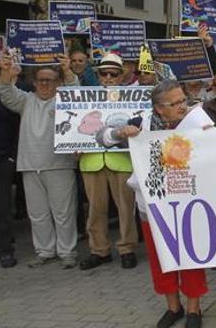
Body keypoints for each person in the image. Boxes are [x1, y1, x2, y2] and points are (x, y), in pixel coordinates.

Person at [99, 80, 207, 328]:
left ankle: (194, 309)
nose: (183, 106)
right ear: (159, 108)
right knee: (160, 259)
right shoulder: (141, 124)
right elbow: (102, 137)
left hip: (189, 204)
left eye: (183, 100)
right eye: (175, 103)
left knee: (191, 257)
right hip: (152, 208)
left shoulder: (199, 120)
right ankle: (173, 307)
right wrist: (119, 133)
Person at [0, 53, 79, 269]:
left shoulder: (65, 100)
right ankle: (45, 251)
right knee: (37, 214)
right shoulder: (26, 100)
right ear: (34, 82)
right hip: (30, 165)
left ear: (58, 82)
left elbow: (77, 92)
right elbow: (6, 93)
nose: (44, 84)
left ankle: (67, 252)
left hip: (59, 165)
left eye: (50, 80)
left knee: (63, 213)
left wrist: (67, 69)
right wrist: (6, 71)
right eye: (40, 80)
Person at [77, 54, 139, 271]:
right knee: (95, 209)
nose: (109, 77)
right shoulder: (84, 97)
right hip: (91, 160)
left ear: (122, 75)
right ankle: (99, 250)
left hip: (120, 160)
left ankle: (127, 248)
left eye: (114, 73)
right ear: (98, 75)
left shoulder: (132, 98)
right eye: (104, 73)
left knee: (125, 208)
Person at [0, 66, 20, 268]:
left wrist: (11, 156)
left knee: (1, 207)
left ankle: (4, 250)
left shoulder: (4, 100)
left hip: (2, 159)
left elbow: (16, 128)